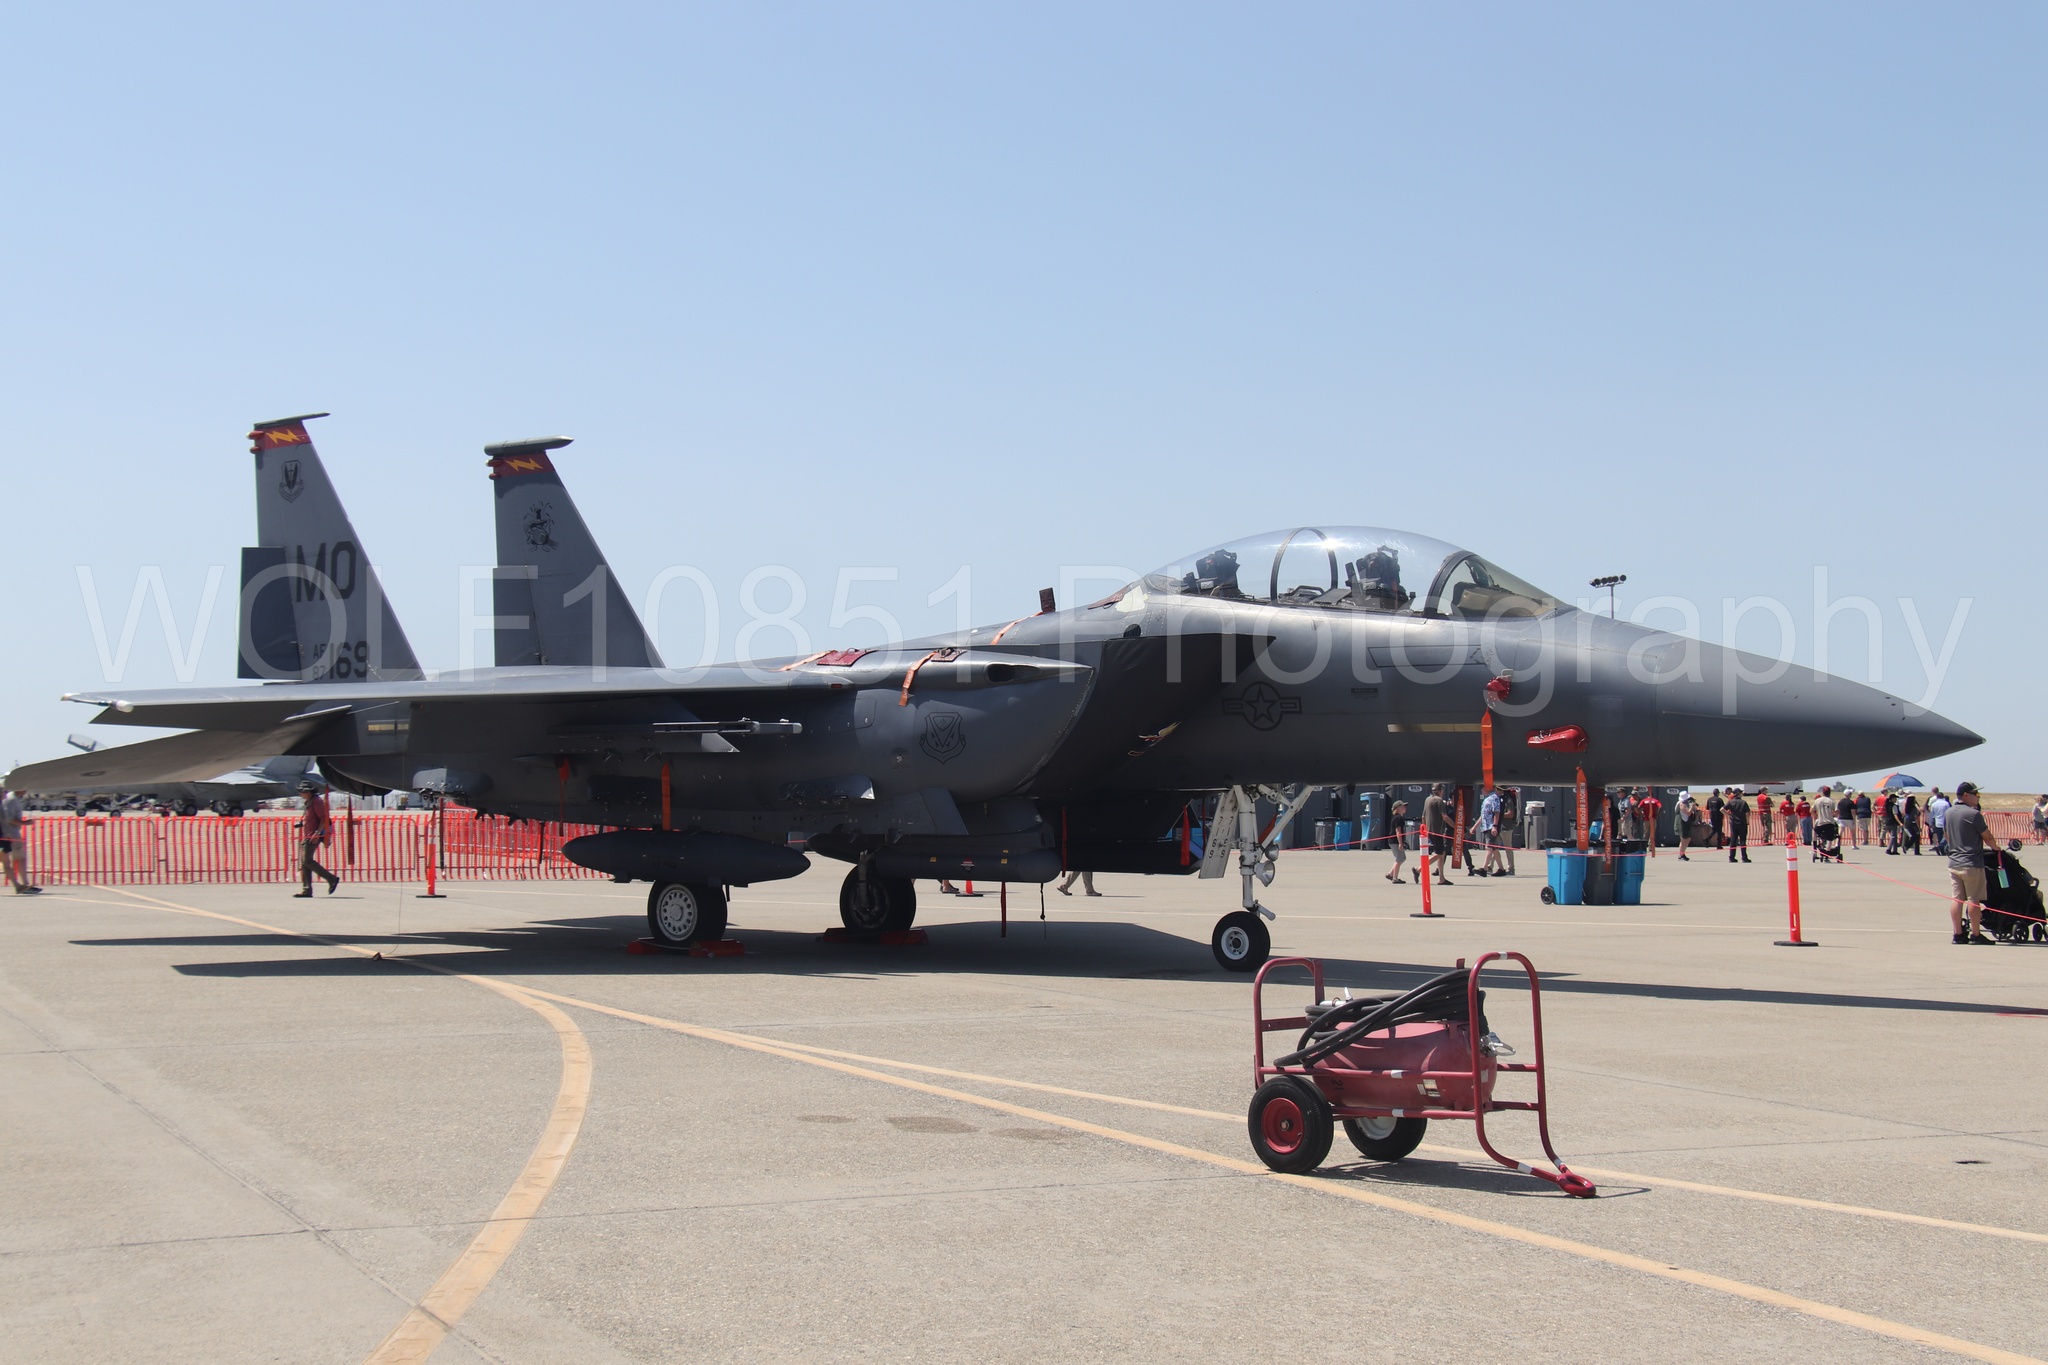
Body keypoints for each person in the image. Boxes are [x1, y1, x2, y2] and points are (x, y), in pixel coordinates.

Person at [1945, 782, 1996, 944]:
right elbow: (1987, 837)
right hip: (1971, 863)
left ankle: (1958, 934)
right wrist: (1997, 849)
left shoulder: (1949, 813)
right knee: (1974, 900)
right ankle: (1975, 934)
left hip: (1954, 862)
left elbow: (1946, 836)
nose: (1977, 798)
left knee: (1957, 899)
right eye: (1975, 794)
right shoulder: (1974, 815)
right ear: (1966, 795)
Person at [294, 779, 339, 897]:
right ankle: (307, 889)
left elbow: (323, 818)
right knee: (305, 863)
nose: (300, 794)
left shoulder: (317, 801)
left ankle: (331, 878)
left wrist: (317, 833)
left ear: (307, 792)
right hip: (308, 834)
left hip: (314, 835)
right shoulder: (309, 802)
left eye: (301, 792)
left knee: (307, 861)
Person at [1, 789, 41, 894]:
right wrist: (24, 823)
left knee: (6, 862)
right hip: (4, 837)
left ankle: (19, 885)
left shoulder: (4, 803)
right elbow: (7, 820)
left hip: (4, 836)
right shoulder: (8, 801)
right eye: (3, 792)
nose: (5, 793)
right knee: (7, 862)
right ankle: (19, 885)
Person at [1422, 783, 1455, 886]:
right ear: (1440, 790)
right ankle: (1419, 869)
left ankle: (1441, 878)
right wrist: (1456, 826)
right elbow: (1444, 816)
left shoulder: (1428, 799)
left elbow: (1423, 816)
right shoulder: (1439, 801)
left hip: (1430, 830)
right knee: (1439, 853)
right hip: (1437, 831)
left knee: (1442, 852)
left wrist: (1425, 828)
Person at [1477, 787, 1505, 876]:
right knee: (1494, 849)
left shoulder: (1494, 798)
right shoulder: (1487, 799)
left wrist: (1494, 826)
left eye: (1482, 789)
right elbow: (1483, 815)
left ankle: (1484, 869)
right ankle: (1501, 869)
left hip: (1490, 826)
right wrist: (1475, 827)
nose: (1481, 791)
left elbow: (1497, 812)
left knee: (1489, 847)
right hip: (1486, 826)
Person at [1384, 800, 1410, 883]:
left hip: (1394, 841)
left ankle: (1390, 874)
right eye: (1403, 806)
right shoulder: (1398, 818)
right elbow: (1398, 831)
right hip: (1395, 841)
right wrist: (1400, 843)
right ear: (1397, 808)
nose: (1405, 807)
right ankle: (1395, 878)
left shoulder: (1399, 818)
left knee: (1402, 858)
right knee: (1399, 858)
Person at [1496, 788, 1519, 875]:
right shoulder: (1499, 799)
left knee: (1508, 848)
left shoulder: (1508, 800)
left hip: (1506, 828)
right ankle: (1490, 866)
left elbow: (1510, 814)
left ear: (1502, 790)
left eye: (1497, 789)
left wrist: (1499, 814)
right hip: (1499, 827)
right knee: (1494, 847)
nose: (1495, 791)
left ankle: (1511, 868)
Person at [1726, 788, 1751, 863]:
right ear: (1738, 793)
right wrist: (1747, 822)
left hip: (1733, 823)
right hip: (1742, 823)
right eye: (1741, 793)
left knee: (1733, 840)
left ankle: (1731, 857)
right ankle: (1744, 857)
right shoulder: (1743, 802)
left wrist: (1729, 815)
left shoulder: (1731, 802)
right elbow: (1747, 813)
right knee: (1743, 840)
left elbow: (1722, 809)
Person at [1928, 789, 1950, 857]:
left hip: (1937, 822)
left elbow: (1932, 814)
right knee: (1946, 836)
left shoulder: (1934, 804)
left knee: (1940, 837)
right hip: (1945, 822)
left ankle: (1941, 849)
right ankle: (1941, 847)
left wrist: (1931, 823)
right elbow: (1949, 812)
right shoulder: (1946, 803)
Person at [1675, 790, 1696, 861]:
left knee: (1687, 838)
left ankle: (1683, 853)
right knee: (1683, 839)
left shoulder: (1685, 804)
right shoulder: (1681, 804)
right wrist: (1692, 807)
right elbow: (1688, 813)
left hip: (1686, 822)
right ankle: (1681, 854)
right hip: (1682, 823)